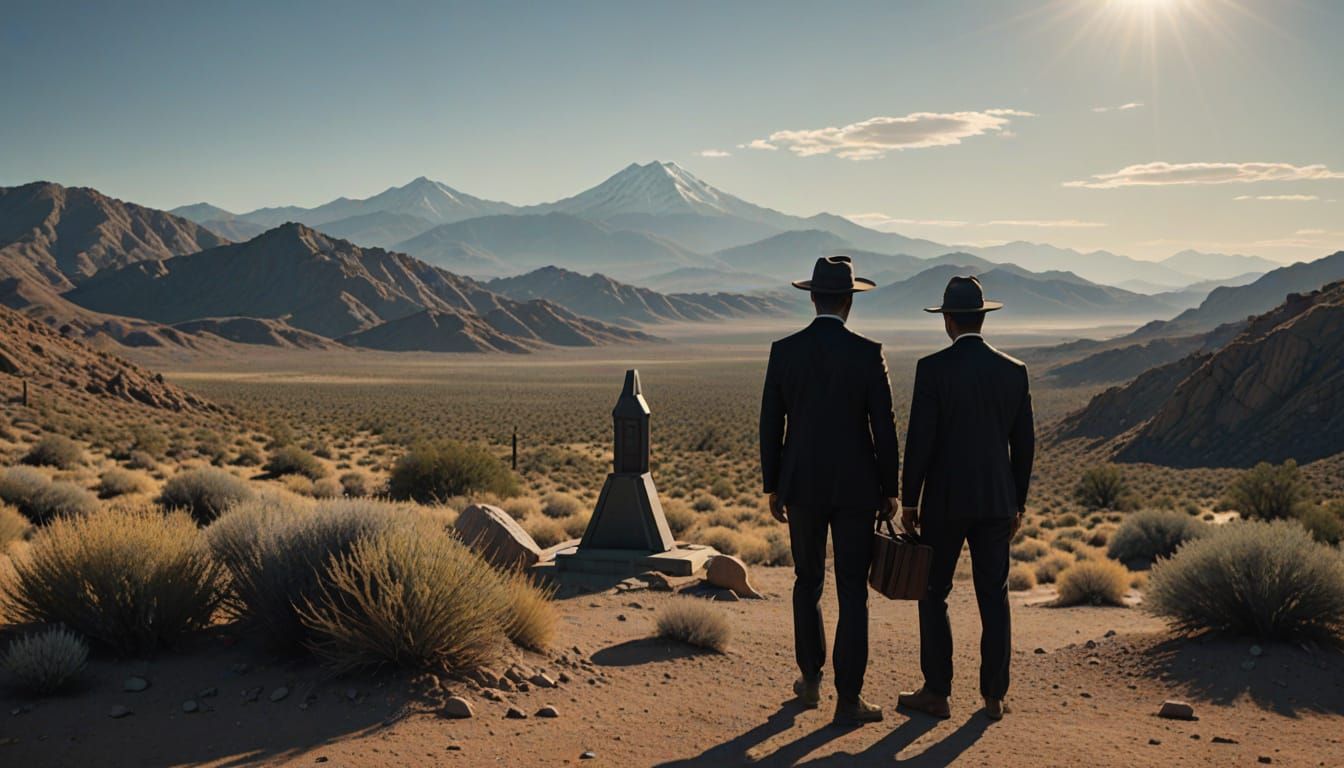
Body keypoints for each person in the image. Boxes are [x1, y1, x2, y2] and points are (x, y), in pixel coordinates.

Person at [759, 255, 901, 726]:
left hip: (801, 485)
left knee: (807, 582)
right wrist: (890, 488)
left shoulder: (784, 351)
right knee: (852, 592)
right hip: (857, 488)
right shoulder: (867, 353)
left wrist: (774, 486)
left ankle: (811, 681)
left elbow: (770, 424)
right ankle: (849, 698)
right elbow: (884, 426)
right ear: (848, 302)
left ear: (814, 298)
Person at [897, 275, 1035, 722]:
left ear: (949, 321)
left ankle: (937, 692)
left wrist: (910, 500)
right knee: (993, 597)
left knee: (933, 594)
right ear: (982, 318)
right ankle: (993, 697)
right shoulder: (1014, 372)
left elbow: (920, 441)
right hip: (996, 502)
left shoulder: (933, 369)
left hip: (945, 503)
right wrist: (1018, 502)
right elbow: (1025, 445)